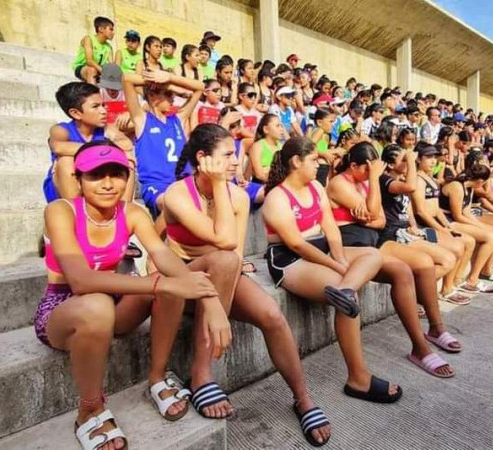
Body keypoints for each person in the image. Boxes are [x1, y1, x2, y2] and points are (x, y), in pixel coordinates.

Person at [37, 141, 234, 450]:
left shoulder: (131, 212)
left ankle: (156, 377)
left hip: (114, 299)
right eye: (95, 175)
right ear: (77, 179)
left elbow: (164, 257)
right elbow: (79, 280)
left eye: (116, 174)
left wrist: (210, 300)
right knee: (126, 295)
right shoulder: (61, 210)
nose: (107, 183)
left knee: (165, 280)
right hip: (64, 308)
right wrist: (161, 285)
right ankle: (90, 406)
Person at [164, 125, 332, 446]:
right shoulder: (177, 194)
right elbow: (224, 243)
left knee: (272, 316)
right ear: (202, 158)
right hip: (182, 279)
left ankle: (302, 398)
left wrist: (222, 189)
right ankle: (201, 375)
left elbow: (235, 253)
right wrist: (217, 184)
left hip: (222, 276)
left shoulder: (238, 196)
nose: (235, 162)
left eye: (236, 154)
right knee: (224, 261)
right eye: (227, 155)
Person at [261, 137, 403, 405]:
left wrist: (339, 258)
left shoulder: (316, 186)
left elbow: (331, 229)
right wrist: (337, 266)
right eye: (314, 159)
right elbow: (296, 244)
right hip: (290, 260)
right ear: (296, 162)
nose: (321, 164)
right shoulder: (277, 197)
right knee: (349, 296)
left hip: (322, 250)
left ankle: (346, 289)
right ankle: (358, 378)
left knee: (372, 255)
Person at [327, 142, 462, 377]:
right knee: (402, 271)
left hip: (373, 240)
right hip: (351, 244)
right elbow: (372, 211)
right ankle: (420, 348)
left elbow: (378, 219)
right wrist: (371, 200)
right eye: (367, 170)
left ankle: (436, 328)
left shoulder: (365, 181)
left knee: (424, 263)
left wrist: (369, 212)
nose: (371, 175)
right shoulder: (340, 183)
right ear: (354, 165)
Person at [122, 69, 204, 225]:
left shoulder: (178, 119)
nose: (172, 99)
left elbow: (199, 87)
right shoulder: (142, 120)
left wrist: (170, 78)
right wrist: (155, 81)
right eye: (167, 94)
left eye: (172, 94)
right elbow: (127, 79)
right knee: (174, 205)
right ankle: (156, 245)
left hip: (184, 184)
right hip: (157, 187)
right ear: (152, 96)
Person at [44, 82, 134, 203]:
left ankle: (123, 211)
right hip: (66, 187)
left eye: (103, 105)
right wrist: (106, 150)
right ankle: (77, 213)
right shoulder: (61, 130)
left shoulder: (106, 129)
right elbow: (58, 147)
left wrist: (130, 113)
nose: (103, 111)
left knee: (128, 161)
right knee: (66, 161)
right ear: (76, 113)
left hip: (95, 181)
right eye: (96, 106)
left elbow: (127, 146)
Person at [410, 143, 476, 299]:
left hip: (435, 223)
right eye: (428, 157)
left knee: (467, 241)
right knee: (457, 248)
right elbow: (420, 211)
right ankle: (423, 291)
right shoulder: (419, 180)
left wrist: (446, 226)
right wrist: (440, 229)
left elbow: (436, 208)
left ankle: (449, 286)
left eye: (434, 157)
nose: (433, 161)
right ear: (419, 159)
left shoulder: (430, 178)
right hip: (424, 226)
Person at [439, 162, 493, 293]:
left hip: (457, 219)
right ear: (480, 181)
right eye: (484, 182)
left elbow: (466, 211)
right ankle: (472, 279)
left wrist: (481, 226)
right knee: (490, 237)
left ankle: (484, 271)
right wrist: (481, 228)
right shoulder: (457, 187)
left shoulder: (469, 188)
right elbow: (457, 215)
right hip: (446, 221)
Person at [246, 114, 283, 207]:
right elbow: (259, 174)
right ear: (266, 129)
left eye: (281, 126)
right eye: (277, 126)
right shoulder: (258, 146)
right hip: (261, 189)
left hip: (277, 188)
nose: (281, 129)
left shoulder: (281, 146)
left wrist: (268, 169)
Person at [72, 17, 115, 85]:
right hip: (83, 67)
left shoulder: (109, 47)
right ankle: (93, 92)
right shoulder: (88, 39)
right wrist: (102, 71)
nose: (113, 33)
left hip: (99, 69)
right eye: (111, 29)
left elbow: (111, 65)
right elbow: (89, 61)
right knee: (92, 70)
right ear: (100, 29)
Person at [308, 108, 341, 186]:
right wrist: (324, 154)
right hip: (319, 165)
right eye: (330, 121)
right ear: (319, 122)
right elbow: (310, 146)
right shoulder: (320, 131)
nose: (333, 124)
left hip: (324, 166)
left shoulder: (325, 134)